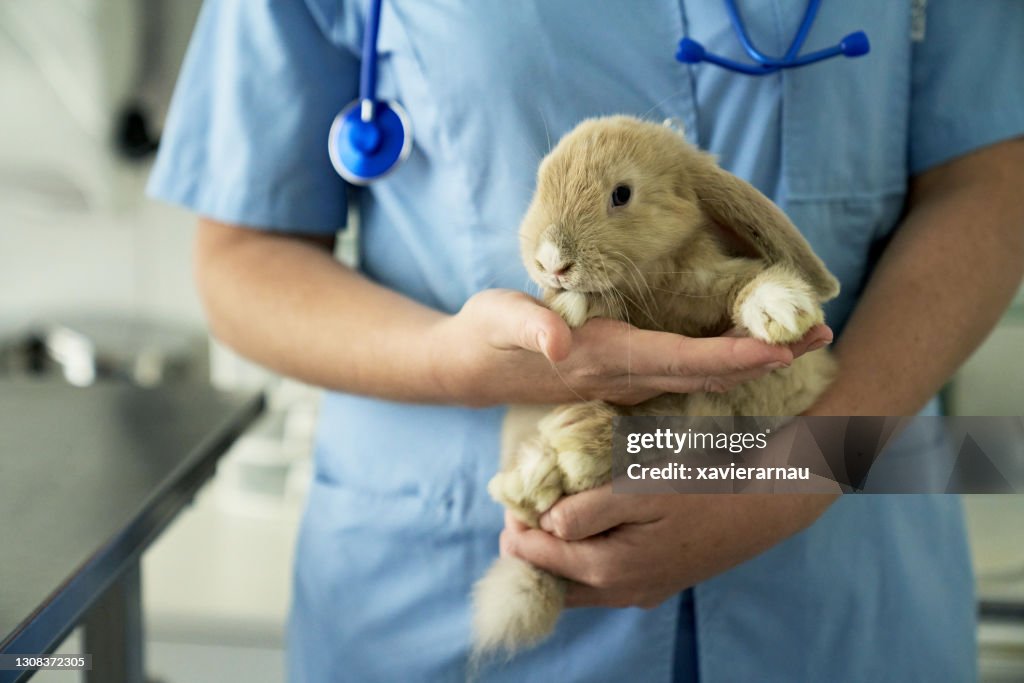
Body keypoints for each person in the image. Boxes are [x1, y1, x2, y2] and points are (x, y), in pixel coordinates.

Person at [148, 1, 1024, 680]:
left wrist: (797, 475)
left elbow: (989, 181)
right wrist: (453, 363)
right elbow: (241, 256)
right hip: (437, 575)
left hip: (840, 575)